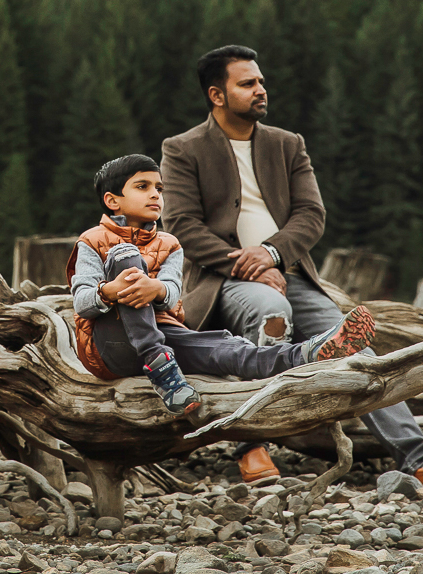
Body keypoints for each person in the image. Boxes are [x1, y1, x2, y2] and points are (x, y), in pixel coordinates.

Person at [160, 44, 423, 489]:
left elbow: (311, 215)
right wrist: (247, 263)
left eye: (261, 81)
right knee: (266, 310)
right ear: (217, 95)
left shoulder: (286, 144)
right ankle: (251, 446)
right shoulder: (183, 149)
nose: (261, 89)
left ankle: (421, 459)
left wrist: (272, 253)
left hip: (292, 274)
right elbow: (181, 224)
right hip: (220, 282)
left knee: (355, 349)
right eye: (248, 83)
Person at [71, 154, 378, 418]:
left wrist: (157, 290)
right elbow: (82, 301)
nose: (156, 195)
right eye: (143, 187)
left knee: (231, 350)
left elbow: (172, 295)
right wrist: (110, 291)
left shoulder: (169, 243)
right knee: (126, 255)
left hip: (164, 336)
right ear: (112, 201)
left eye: (159, 188)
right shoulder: (92, 240)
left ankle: (306, 354)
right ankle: (160, 366)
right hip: (110, 347)